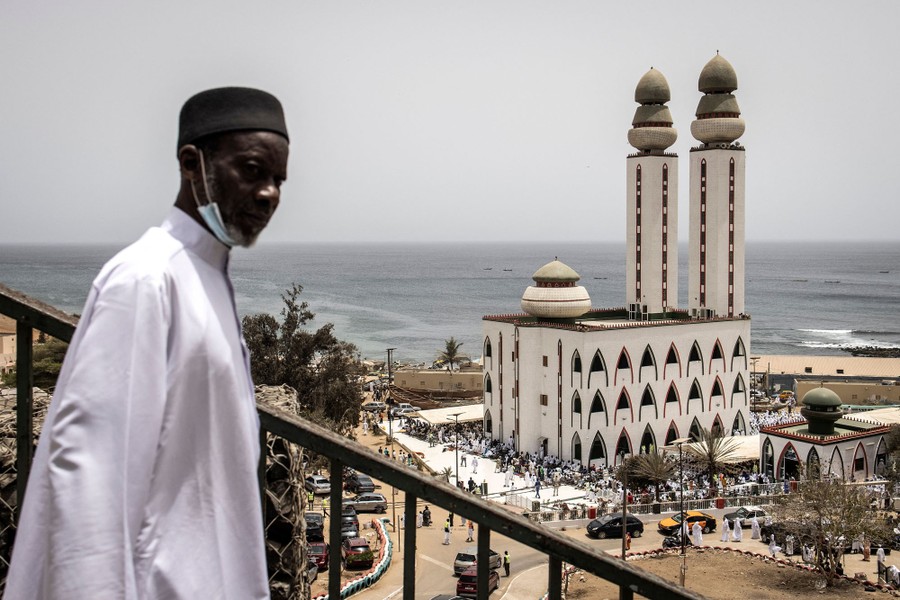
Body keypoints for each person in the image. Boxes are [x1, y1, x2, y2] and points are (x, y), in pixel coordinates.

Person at [5, 87, 289, 599]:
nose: (269, 192)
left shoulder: (205, 277)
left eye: (278, 179)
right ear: (191, 163)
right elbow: (88, 481)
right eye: (251, 170)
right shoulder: (145, 280)